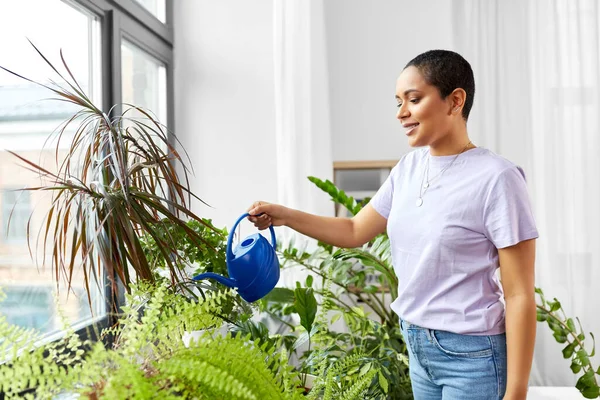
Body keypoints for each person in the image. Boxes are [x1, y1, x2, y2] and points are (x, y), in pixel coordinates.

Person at [247, 49, 538, 400]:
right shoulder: (408, 168)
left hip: (472, 355)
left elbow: (519, 293)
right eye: (398, 102)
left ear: (455, 100)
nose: (401, 113)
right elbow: (355, 231)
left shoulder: (498, 178)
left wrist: (517, 393)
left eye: (413, 100)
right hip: (418, 348)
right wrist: (285, 216)